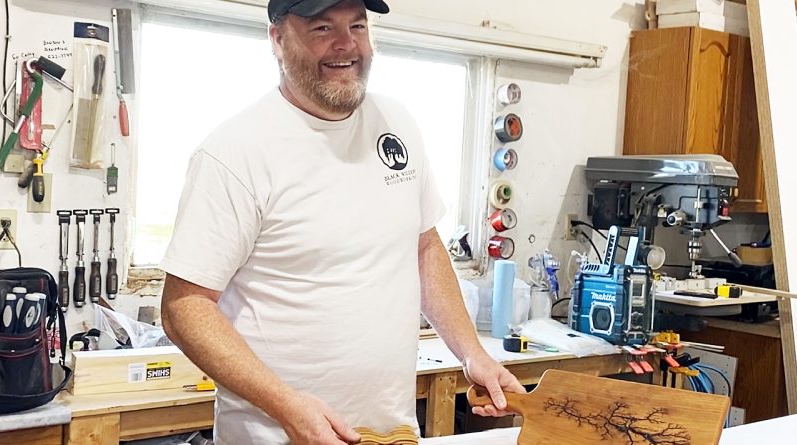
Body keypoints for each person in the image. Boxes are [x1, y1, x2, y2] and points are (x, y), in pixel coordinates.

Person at [159, 0, 525, 443]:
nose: (347, 44)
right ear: (277, 39)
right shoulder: (236, 152)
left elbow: (424, 246)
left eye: (358, 25)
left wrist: (472, 354)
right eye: (322, 28)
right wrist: (287, 406)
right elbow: (184, 308)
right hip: (279, 434)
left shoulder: (397, 123)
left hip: (392, 432)